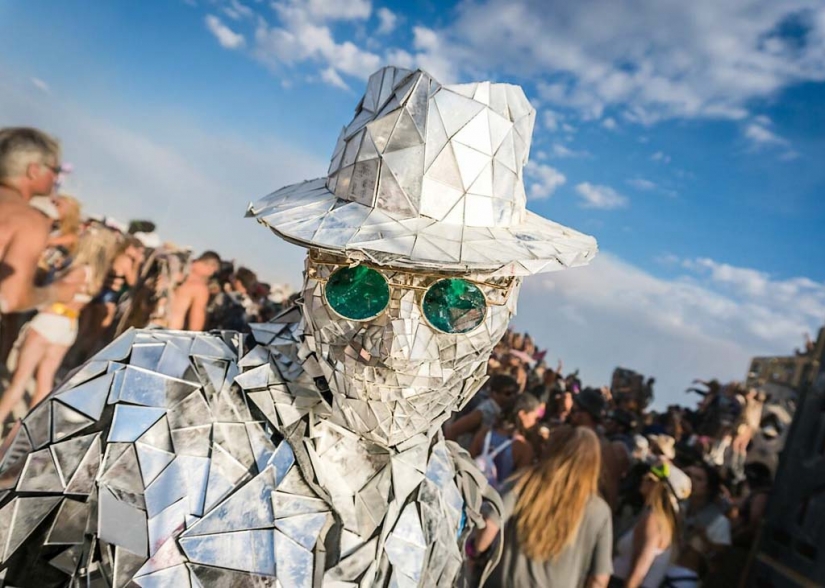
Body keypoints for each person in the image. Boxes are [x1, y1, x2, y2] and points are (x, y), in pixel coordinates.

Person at [0, 66, 598, 585]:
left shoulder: (445, 499)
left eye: (455, 299)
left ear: (505, 301)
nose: (397, 341)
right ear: (316, 269)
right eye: (358, 287)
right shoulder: (147, 391)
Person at [0, 229, 118, 424]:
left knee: (19, 381)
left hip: (49, 321)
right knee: (44, 382)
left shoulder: (79, 271)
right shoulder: (95, 275)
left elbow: (55, 293)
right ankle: (25, 430)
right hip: (68, 326)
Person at [476, 426, 613, 587]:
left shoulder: (526, 482)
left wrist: (474, 552)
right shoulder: (599, 511)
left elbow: (489, 526)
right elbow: (599, 579)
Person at [0, 127, 81, 314]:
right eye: (55, 170)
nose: (56, 178)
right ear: (33, 171)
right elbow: (10, 298)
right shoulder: (28, 220)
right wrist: (57, 293)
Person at [611, 460, 690, 588]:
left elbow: (638, 572)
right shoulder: (660, 520)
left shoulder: (653, 520)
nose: (644, 478)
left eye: (650, 479)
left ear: (661, 489)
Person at [665, 462, 731, 585]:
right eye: (689, 476)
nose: (692, 481)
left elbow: (718, 562)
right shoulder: (678, 507)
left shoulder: (719, 522)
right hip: (661, 568)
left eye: (699, 479)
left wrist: (705, 539)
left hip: (684, 578)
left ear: (710, 487)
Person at [571, 387, 631, 511]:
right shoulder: (569, 435)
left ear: (585, 414)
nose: (572, 414)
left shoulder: (604, 449)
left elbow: (610, 491)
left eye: (575, 410)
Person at [470, 392, 542, 488]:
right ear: (522, 414)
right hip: (496, 499)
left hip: (472, 490)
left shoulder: (485, 433)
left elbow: (468, 459)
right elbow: (518, 484)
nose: (536, 423)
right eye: (535, 418)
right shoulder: (523, 447)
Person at [445, 374, 520, 449]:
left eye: (515, 393)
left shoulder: (503, 411)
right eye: (508, 393)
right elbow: (453, 430)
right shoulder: (484, 410)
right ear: (495, 393)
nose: (512, 397)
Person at [166, 250, 220, 331]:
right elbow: (195, 326)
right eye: (213, 272)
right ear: (212, 267)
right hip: (167, 333)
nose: (211, 275)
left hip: (145, 328)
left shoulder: (170, 270)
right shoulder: (199, 286)